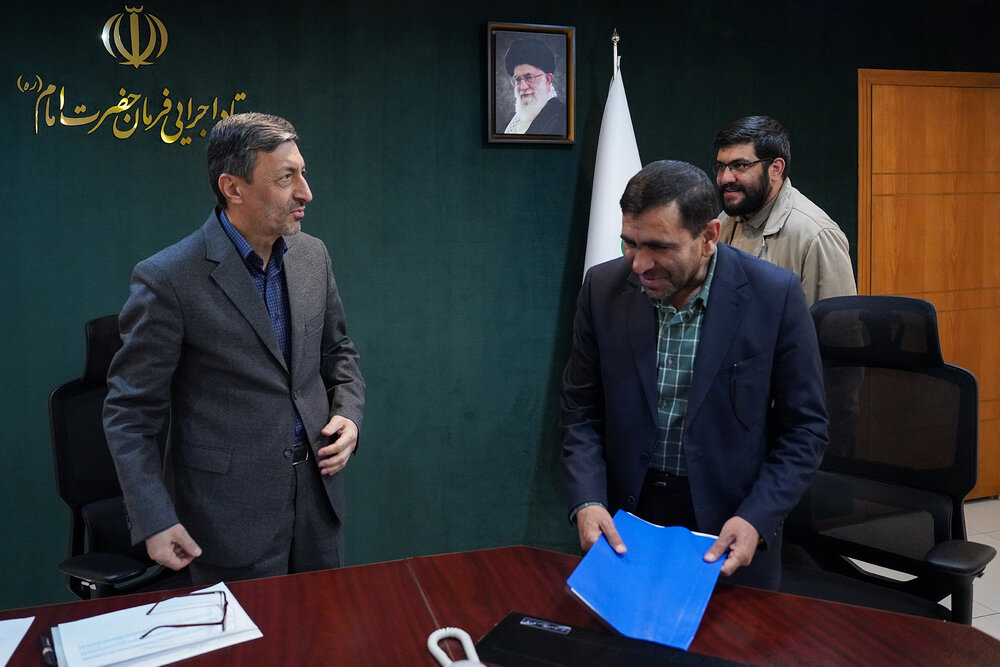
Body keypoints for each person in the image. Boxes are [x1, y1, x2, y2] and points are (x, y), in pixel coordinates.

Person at [104, 112, 365, 584]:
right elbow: (130, 412)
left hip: (318, 505)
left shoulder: (313, 256)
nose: (306, 192)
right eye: (286, 178)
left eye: (303, 173)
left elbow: (338, 352)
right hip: (227, 518)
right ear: (233, 188)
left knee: (323, 629)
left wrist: (348, 413)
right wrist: (154, 517)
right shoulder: (168, 278)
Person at [560, 160, 827, 590]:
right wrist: (587, 500)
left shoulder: (774, 296)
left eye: (659, 247)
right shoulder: (602, 289)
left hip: (729, 527)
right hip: (624, 523)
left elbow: (805, 430)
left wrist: (757, 517)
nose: (639, 264)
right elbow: (580, 411)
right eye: (630, 243)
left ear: (709, 237)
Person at [713, 116, 856, 305]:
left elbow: (837, 321)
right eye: (721, 167)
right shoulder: (725, 220)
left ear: (776, 169)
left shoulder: (816, 235)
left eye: (739, 166)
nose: (725, 178)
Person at [502, 37, 567, 135]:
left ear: (548, 79)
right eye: (518, 79)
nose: (523, 87)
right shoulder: (509, 124)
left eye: (529, 77)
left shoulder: (562, 118)